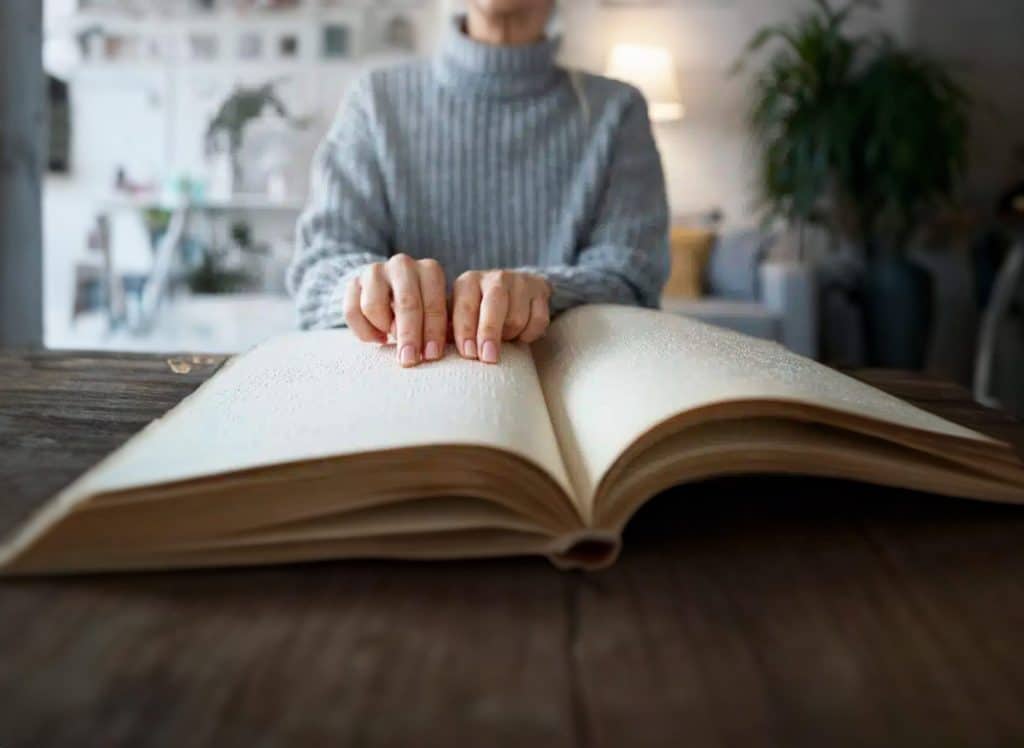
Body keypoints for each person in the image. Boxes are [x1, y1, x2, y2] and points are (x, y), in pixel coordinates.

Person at [288, 0, 669, 367]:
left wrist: (546, 291)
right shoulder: (374, 100)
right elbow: (319, 267)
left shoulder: (617, 110)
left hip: (569, 377)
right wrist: (366, 286)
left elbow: (631, 279)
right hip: (397, 381)